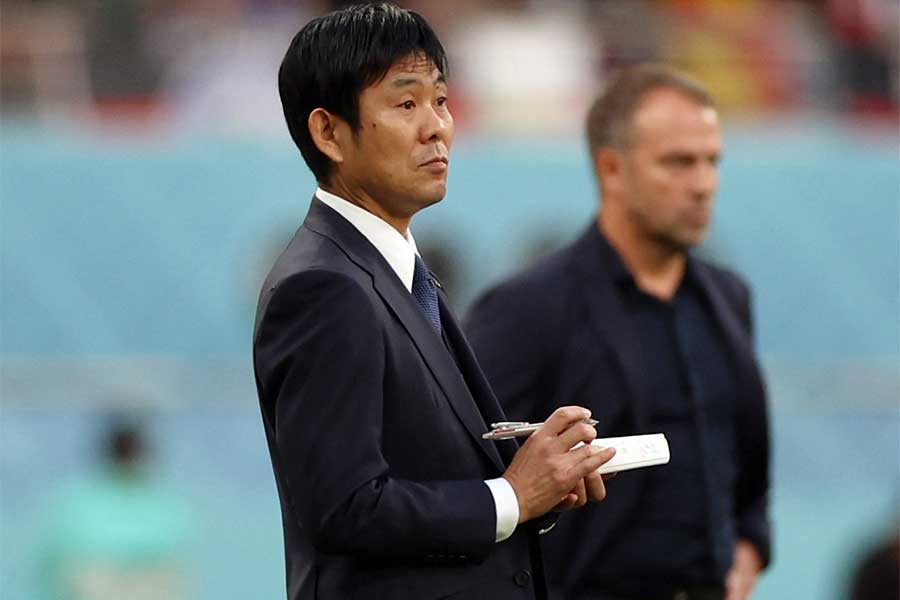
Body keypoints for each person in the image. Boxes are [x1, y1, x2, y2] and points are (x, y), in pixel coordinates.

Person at [251, 5, 616, 599]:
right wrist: (510, 497)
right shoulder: (323, 287)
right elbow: (345, 507)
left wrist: (540, 483)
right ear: (329, 133)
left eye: (441, 101)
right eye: (406, 104)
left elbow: (426, 469)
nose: (437, 127)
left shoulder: (397, 273)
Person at [465, 65, 771, 600]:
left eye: (711, 161)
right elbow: (474, 487)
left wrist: (745, 557)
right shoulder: (526, 309)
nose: (703, 184)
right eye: (679, 162)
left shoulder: (728, 298)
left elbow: (747, 473)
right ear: (611, 168)